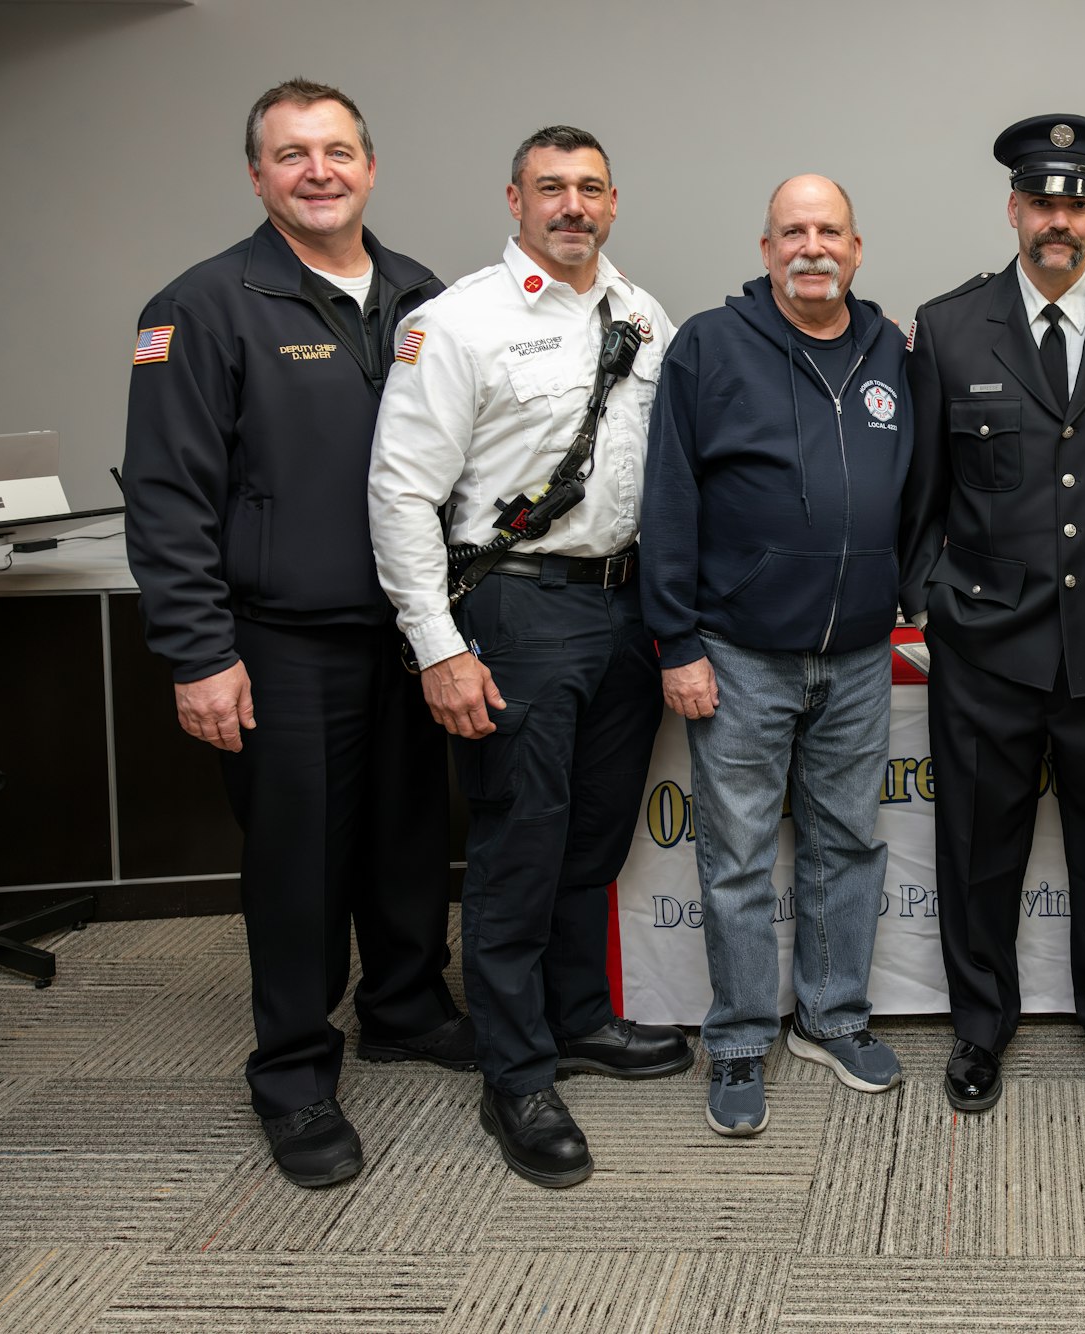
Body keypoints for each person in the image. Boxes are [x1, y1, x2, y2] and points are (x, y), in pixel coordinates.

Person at [122, 79, 469, 1190]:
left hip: (409, 631)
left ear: (369, 166)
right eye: (290, 154)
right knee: (297, 863)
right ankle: (293, 1071)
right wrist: (198, 652)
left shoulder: (424, 295)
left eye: (335, 150)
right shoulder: (205, 304)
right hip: (279, 642)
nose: (316, 171)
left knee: (410, 837)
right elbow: (167, 496)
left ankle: (407, 1006)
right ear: (258, 174)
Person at [368, 125, 687, 1189]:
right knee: (517, 844)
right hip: (515, 610)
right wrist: (437, 649)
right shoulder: (455, 322)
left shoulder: (642, 317)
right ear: (513, 199)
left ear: (612, 199)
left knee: (590, 837)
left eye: (590, 186)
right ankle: (516, 1070)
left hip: (622, 610)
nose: (571, 205)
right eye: (550, 187)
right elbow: (402, 493)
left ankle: (576, 1016)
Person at [900, 114, 1085, 1116]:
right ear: (1012, 208)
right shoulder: (946, 325)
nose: (1056, 220)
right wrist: (933, 598)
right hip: (985, 643)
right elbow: (920, 497)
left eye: (1076, 202)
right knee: (977, 851)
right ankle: (980, 1026)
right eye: (1041, 201)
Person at [642, 175, 910, 1138]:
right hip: (740, 652)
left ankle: (832, 1018)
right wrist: (676, 639)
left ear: (857, 246)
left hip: (858, 655)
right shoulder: (710, 348)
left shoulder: (891, 351)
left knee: (849, 843)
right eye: (792, 231)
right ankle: (742, 1036)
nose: (811, 246)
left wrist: (905, 594)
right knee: (740, 857)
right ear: (765, 250)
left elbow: (915, 490)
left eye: (829, 230)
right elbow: (668, 499)